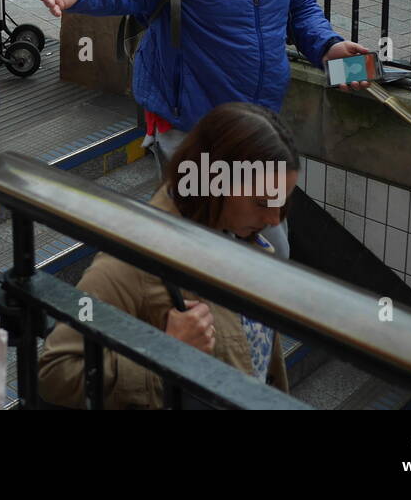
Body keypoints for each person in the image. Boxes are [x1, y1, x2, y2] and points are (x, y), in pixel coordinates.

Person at [25, 0, 371, 257]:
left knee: (269, 252)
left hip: (258, 132)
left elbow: (300, 9)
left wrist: (328, 47)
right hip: (190, 133)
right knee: (207, 255)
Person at [38, 103, 299, 409]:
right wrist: (164, 353)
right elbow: (55, 374)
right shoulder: (132, 263)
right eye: (262, 201)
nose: (273, 218)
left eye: (283, 201)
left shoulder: (239, 235)